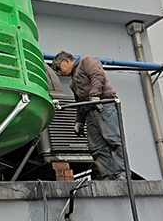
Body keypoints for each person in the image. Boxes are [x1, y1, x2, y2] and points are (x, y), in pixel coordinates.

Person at [52, 51, 126, 181]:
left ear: (66, 61)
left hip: (103, 105)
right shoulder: (73, 83)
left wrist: (95, 96)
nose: (59, 72)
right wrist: (79, 121)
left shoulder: (86, 61)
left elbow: (98, 75)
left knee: (112, 139)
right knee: (96, 147)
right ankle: (109, 177)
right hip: (89, 111)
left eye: (59, 68)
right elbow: (79, 103)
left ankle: (121, 174)